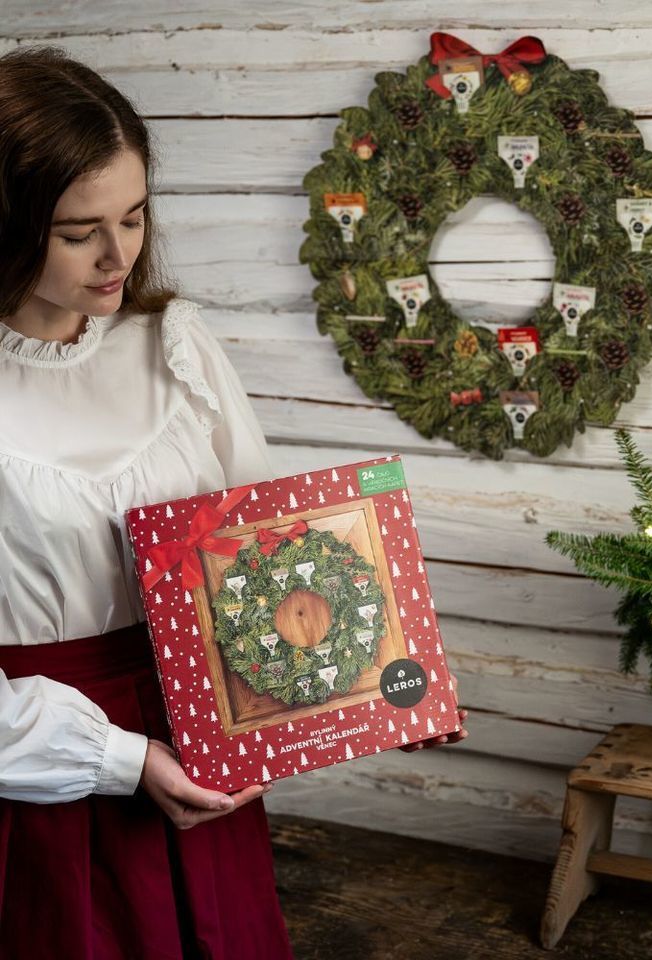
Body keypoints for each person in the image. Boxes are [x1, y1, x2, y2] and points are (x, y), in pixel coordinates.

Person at [0, 45, 467, 959]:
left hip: (211, 765)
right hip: (42, 797)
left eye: (134, 217)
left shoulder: (173, 342)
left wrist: (375, 683)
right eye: (76, 230)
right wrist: (119, 760)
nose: (117, 255)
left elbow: (269, 556)